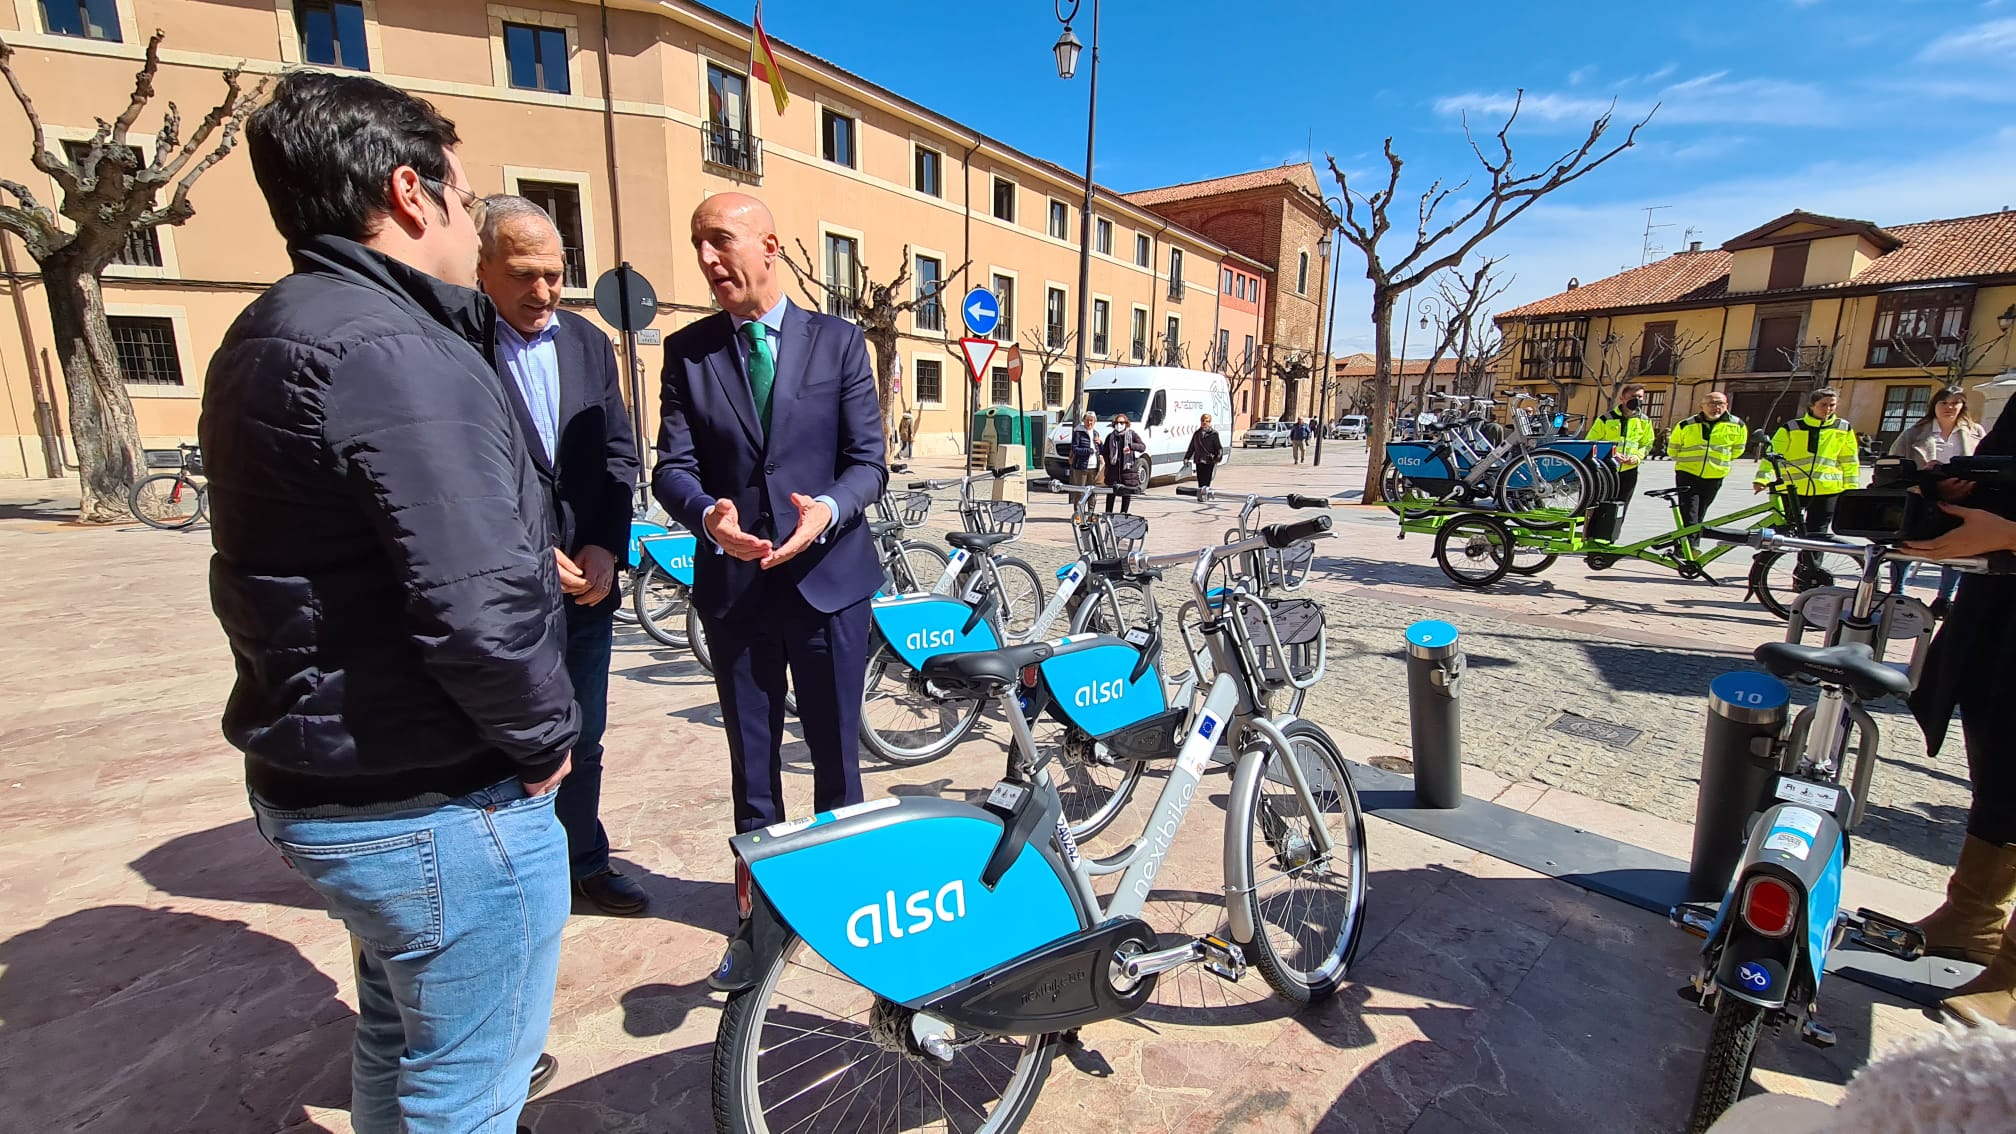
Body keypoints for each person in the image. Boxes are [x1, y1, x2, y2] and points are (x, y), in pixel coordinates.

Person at [200, 71, 577, 1132]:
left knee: (395, 1037)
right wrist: (546, 737)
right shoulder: (397, 350)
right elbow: (473, 604)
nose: (469, 216)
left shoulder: (270, 329)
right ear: (411, 193)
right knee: (466, 1093)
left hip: (332, 777)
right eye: (463, 193)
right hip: (430, 798)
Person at [653, 193, 886, 987]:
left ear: (770, 245)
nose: (707, 259)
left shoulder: (840, 343)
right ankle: (761, 920)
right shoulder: (688, 353)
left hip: (829, 584)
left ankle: (845, 903)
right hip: (736, 589)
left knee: (837, 758)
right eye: (698, 244)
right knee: (752, 765)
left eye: (721, 241)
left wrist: (827, 510)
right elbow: (672, 467)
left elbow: (869, 463)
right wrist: (704, 515)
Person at [476, 197, 646, 918]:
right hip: (498, 593)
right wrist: (523, 553)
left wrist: (606, 544)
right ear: (482, 267)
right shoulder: (455, 343)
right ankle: (510, 883)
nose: (543, 290)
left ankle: (584, 863)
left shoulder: (586, 342)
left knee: (584, 732)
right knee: (500, 740)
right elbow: (454, 473)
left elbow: (617, 454)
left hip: (586, 585)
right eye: (523, 273)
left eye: (553, 273)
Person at [1906, 401, 2016, 1030]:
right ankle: (1973, 918)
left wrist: (2010, 534)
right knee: (2000, 766)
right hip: (2000, 604)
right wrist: (1958, 489)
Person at [1888, 386, 1984, 616]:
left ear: (1963, 406)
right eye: (1944, 403)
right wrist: (1919, 478)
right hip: (1921, 496)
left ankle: (1944, 599)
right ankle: (1898, 593)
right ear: (1935, 405)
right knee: (1907, 545)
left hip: (1960, 497)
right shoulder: (1914, 433)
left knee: (1956, 548)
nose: (1949, 407)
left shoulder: (1976, 432)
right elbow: (1893, 466)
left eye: (1955, 403)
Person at [1754, 387, 1861, 572]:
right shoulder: (1791, 427)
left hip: (1827, 490)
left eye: (1832, 405)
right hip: (1792, 488)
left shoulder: (1843, 428)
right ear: (1811, 406)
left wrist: (1851, 487)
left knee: (1817, 535)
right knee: (1785, 528)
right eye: (1823, 405)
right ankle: (1764, 557)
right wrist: (1762, 479)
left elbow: (1849, 460)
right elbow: (1772, 455)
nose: (1828, 409)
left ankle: (1809, 573)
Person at [1667, 391, 1747, 552]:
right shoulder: (1686, 425)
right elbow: (1673, 450)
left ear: (1727, 405)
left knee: (1700, 512)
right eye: (1711, 403)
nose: (1716, 407)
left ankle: (1682, 544)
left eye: (1720, 404)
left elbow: (1738, 450)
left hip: (1715, 475)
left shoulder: (1738, 425)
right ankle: (1690, 547)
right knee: (1689, 511)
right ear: (1701, 406)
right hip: (1688, 474)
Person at [1585, 384, 1657, 535]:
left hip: (1629, 471)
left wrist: (1636, 458)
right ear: (1622, 398)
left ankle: (1611, 536)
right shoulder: (1606, 419)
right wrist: (1610, 455)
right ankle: (1591, 536)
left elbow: (1647, 443)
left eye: (1640, 397)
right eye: (1633, 397)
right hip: (1606, 471)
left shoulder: (1645, 421)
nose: (1637, 400)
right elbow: (1591, 442)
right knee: (1599, 505)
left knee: (1621, 506)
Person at [1101, 412, 1147, 513]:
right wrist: (1109, 464)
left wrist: (1131, 446)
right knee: (1111, 494)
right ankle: (1108, 514)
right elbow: (1104, 452)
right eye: (1117, 423)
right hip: (1113, 471)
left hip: (1127, 470)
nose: (1119, 425)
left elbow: (1142, 447)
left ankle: (1123, 514)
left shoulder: (1132, 434)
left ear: (1126, 423)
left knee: (1126, 494)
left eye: (1122, 423)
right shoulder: (1110, 437)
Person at [1185, 413, 1225, 490]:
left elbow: (1219, 448)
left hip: (1209, 461)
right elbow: (1191, 447)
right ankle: (1201, 494)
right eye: (1203, 420)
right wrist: (1186, 458)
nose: (1204, 422)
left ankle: (1205, 494)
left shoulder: (1214, 434)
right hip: (1199, 460)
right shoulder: (1197, 434)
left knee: (1206, 482)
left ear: (1209, 422)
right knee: (1200, 482)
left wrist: (1217, 459)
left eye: (1206, 421)